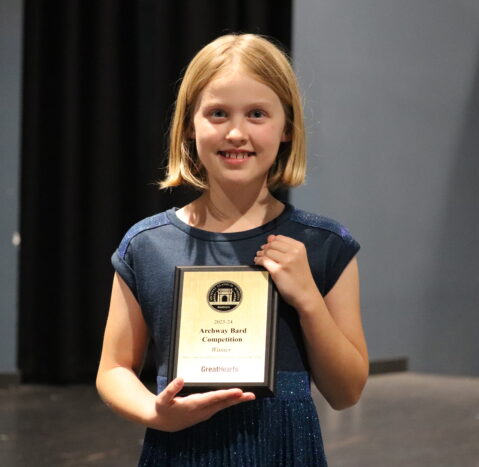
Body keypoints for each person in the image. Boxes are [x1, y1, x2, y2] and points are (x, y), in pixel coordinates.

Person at [96, 33, 368, 466]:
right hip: (180, 451)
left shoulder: (324, 246)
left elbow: (347, 391)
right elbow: (113, 368)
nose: (237, 132)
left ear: (287, 128)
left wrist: (309, 301)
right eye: (218, 113)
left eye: (257, 114)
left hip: (284, 452)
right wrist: (155, 413)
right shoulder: (146, 245)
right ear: (189, 125)